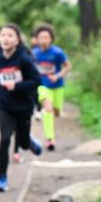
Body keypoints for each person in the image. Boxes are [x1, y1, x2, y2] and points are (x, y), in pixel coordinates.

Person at [0, 23, 42, 192]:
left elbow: (36, 81)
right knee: (4, 140)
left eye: (10, 35)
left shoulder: (24, 59)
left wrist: (17, 85)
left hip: (24, 106)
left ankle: (30, 141)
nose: (6, 38)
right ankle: (2, 178)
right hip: (5, 105)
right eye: (3, 35)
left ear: (17, 40)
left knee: (23, 143)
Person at [32, 23, 71, 151]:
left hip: (57, 85)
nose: (43, 40)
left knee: (56, 110)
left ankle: (57, 110)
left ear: (51, 39)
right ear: (36, 39)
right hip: (42, 86)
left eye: (46, 37)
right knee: (48, 109)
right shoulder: (34, 54)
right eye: (41, 37)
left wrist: (57, 76)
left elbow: (68, 66)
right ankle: (50, 139)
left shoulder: (58, 52)